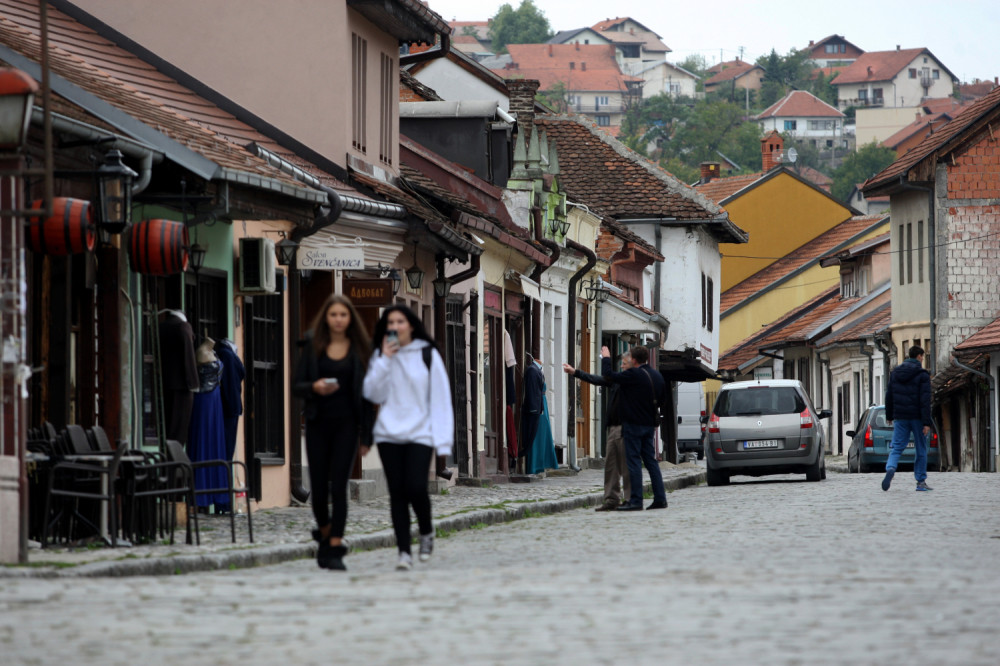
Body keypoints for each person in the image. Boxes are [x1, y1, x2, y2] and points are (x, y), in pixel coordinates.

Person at [363, 305, 453, 571]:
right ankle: (403, 551)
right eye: (390, 322)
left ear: (411, 325)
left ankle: (426, 531)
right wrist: (385, 360)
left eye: (400, 321)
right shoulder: (381, 355)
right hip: (389, 434)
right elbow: (372, 393)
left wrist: (443, 442)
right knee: (397, 494)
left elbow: (440, 397)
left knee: (415, 487)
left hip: (420, 433)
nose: (395, 326)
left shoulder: (428, 354)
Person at [292, 294, 373, 571]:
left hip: (347, 427)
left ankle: (335, 545)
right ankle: (326, 533)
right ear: (326, 318)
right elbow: (296, 386)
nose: (338, 319)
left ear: (350, 319)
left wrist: (367, 436)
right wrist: (314, 387)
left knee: (339, 486)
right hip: (317, 425)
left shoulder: (359, 350)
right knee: (318, 487)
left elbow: (366, 396)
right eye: (333, 315)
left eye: (343, 315)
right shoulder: (314, 346)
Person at [600, 345, 668, 511]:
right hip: (649, 425)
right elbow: (662, 400)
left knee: (633, 462)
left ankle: (636, 500)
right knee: (651, 462)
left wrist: (606, 358)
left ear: (634, 360)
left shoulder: (633, 374)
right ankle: (660, 498)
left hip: (632, 425)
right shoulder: (657, 376)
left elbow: (609, 375)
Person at [564, 354, 631, 511]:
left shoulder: (633, 380)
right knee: (611, 466)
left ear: (633, 364)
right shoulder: (618, 380)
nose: (621, 367)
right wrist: (575, 372)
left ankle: (630, 499)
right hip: (613, 428)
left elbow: (606, 374)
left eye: (625, 364)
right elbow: (598, 379)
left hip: (628, 428)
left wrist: (606, 359)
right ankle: (611, 499)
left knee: (627, 466)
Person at [882, 345, 933, 492]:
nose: (923, 359)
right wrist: (926, 422)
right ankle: (920, 482)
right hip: (917, 417)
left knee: (897, 447)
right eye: (923, 357)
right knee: (921, 448)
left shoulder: (896, 372)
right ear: (918, 356)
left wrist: (890, 415)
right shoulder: (922, 375)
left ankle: (891, 468)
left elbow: (889, 395)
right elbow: (925, 400)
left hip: (900, 417)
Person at [523, 355, 558, 475]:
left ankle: (540, 465)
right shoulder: (532, 370)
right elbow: (531, 390)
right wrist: (534, 409)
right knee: (536, 435)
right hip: (537, 405)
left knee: (542, 435)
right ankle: (534, 466)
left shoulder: (537, 370)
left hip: (541, 404)